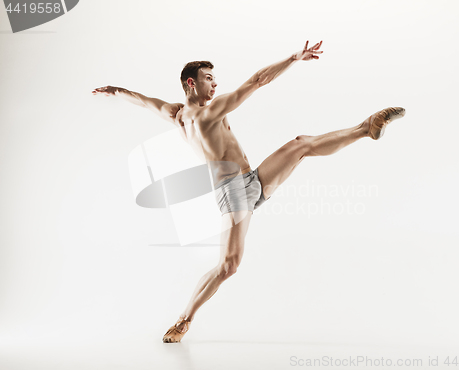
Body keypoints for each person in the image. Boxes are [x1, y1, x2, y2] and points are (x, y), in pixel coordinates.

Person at [92, 41, 406, 343]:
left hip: (252, 180)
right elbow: (257, 80)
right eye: (209, 79)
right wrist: (293, 58)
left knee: (301, 145)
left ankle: (367, 126)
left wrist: (116, 91)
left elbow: (143, 100)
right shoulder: (208, 113)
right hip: (232, 192)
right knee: (228, 266)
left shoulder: (176, 115)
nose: (215, 84)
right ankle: (184, 320)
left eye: (215, 79)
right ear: (191, 83)